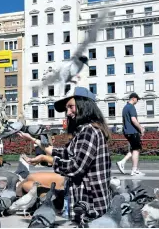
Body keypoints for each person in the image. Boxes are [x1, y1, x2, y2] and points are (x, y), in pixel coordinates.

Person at [18, 86, 112, 224]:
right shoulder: (85, 130)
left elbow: (76, 167)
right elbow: (65, 153)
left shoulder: (89, 131)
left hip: (91, 204)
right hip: (89, 200)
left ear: (84, 105)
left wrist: (48, 160)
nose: (68, 113)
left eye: (71, 107)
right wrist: (34, 140)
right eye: (67, 109)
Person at [116, 93, 145, 176]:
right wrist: (141, 128)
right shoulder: (131, 107)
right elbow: (133, 119)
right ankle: (134, 170)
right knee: (136, 150)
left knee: (134, 149)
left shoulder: (125, 107)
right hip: (133, 132)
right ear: (133, 98)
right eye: (137, 99)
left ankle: (122, 162)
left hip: (127, 131)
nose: (137, 101)